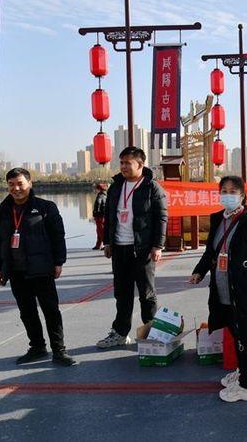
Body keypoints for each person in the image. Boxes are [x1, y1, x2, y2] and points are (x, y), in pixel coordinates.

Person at [188, 176, 247, 403]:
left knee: (246, 335)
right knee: (236, 332)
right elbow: (210, 251)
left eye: (233, 191)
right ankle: (242, 372)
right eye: (224, 191)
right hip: (222, 285)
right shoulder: (218, 219)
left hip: (244, 287)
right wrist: (199, 271)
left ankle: (246, 385)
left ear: (242, 195)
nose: (228, 195)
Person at [0, 168, 77, 366]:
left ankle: (59, 351)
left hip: (42, 269)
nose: (16, 188)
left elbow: (58, 236)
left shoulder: (46, 207)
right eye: (11, 184)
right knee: (27, 312)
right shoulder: (0, 212)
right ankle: (37, 347)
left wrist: (59, 262)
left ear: (30, 183)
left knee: (51, 311)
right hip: (15, 270)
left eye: (20, 183)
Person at [96, 146, 168, 348]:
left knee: (147, 294)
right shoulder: (116, 186)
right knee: (122, 293)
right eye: (121, 163)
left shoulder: (152, 188)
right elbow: (110, 216)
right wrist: (107, 242)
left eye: (128, 163)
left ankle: (152, 332)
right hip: (119, 248)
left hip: (142, 249)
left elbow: (161, 218)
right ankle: (120, 333)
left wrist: (158, 246)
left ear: (140, 164)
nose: (123, 167)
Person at [92, 183, 107, 250]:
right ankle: (98, 245)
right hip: (103, 215)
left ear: (99, 189)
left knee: (100, 231)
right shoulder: (105, 195)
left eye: (96, 189)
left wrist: (95, 212)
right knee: (99, 230)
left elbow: (98, 203)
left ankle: (105, 245)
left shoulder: (100, 196)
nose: (95, 190)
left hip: (99, 216)